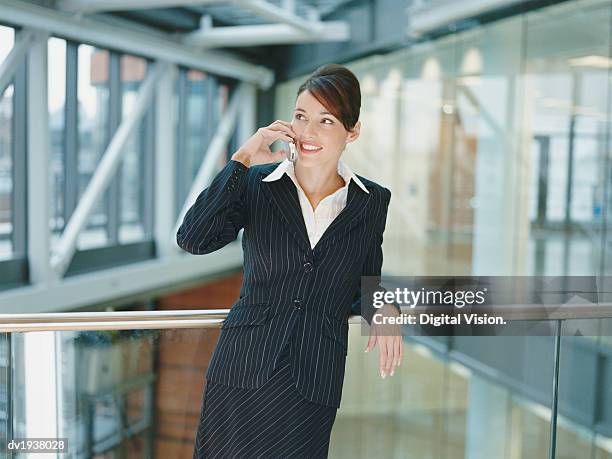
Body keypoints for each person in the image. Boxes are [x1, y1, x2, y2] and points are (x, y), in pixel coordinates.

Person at [177, 63, 403, 458]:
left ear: (353, 131)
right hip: (241, 371)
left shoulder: (372, 201)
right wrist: (242, 159)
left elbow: (364, 279)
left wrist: (381, 307)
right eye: (301, 117)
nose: (308, 132)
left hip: (312, 380)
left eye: (326, 120)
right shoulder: (256, 184)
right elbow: (193, 239)